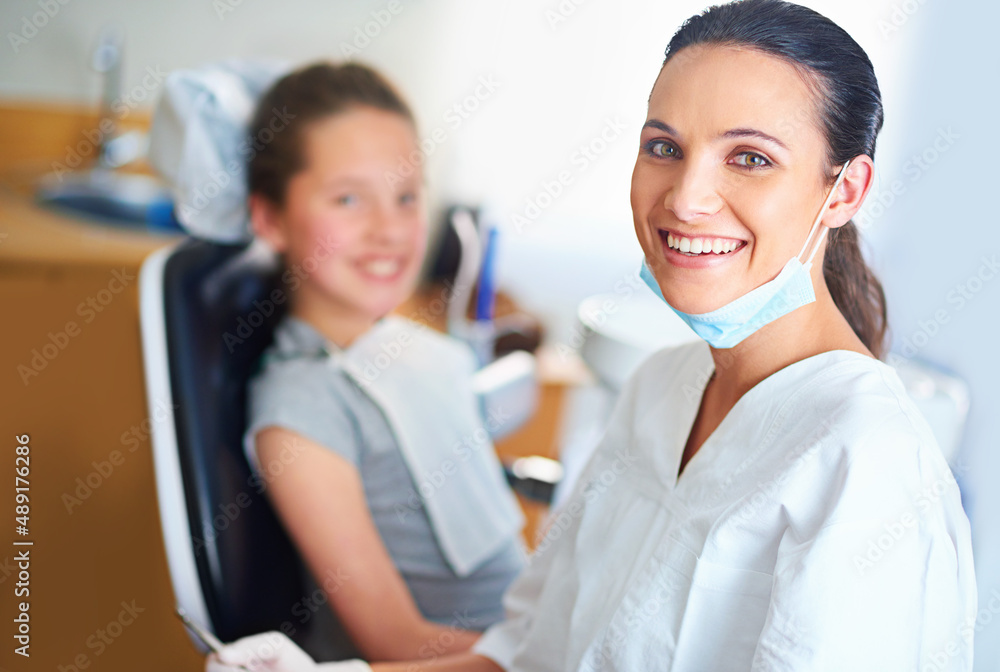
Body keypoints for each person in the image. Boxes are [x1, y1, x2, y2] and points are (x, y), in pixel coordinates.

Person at [207, 1, 977, 670]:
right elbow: (527, 657)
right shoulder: (658, 391)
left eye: (750, 158)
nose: (687, 196)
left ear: (844, 190)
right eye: (664, 147)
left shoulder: (864, 464)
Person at [217, 62, 526, 664]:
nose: (390, 229)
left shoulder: (406, 346)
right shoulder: (301, 413)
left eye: (406, 196)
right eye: (350, 198)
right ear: (270, 218)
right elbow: (397, 642)